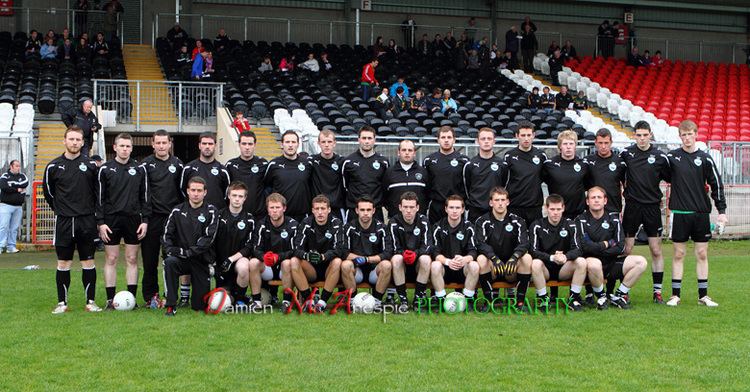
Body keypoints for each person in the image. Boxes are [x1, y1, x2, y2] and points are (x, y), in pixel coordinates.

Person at [664, 120, 727, 307]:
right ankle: (675, 295)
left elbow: (716, 184)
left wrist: (722, 211)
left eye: (690, 134)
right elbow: (660, 175)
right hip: (679, 212)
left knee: (701, 253)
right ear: (680, 137)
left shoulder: (705, 159)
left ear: (696, 135)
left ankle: (703, 296)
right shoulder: (672, 158)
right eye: (683, 135)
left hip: (700, 213)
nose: (687, 138)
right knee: (678, 253)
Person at [43, 126, 102, 314]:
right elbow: (49, 193)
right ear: (64, 141)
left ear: (83, 142)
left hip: (86, 221)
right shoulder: (52, 166)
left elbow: (98, 193)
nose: (75, 142)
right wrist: (61, 209)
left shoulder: (91, 166)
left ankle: (90, 302)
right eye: (71, 139)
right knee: (63, 263)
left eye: (78, 140)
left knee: (88, 262)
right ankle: (62, 304)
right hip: (64, 222)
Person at [96, 133, 149, 309]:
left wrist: (145, 220)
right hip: (111, 220)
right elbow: (100, 198)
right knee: (111, 258)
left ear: (131, 148)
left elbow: (145, 197)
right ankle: (110, 300)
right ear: (115, 147)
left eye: (128, 146)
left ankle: (131, 300)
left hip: (133, 220)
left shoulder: (140, 169)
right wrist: (101, 222)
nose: (125, 149)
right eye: (122, 146)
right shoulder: (105, 169)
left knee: (132, 258)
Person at [619, 121, 670, 304]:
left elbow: (672, 178)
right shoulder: (626, 154)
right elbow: (618, 176)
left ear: (650, 135)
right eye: (638, 135)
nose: (641, 138)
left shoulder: (659, 157)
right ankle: (622, 291)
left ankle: (657, 292)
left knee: (656, 250)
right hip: (632, 206)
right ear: (634, 135)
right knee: (627, 249)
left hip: (652, 208)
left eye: (644, 135)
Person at [577, 186, 647, 309]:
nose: (596, 200)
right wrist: (608, 243)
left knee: (641, 262)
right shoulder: (580, 220)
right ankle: (602, 297)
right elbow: (585, 247)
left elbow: (620, 246)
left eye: (599, 197)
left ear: (605, 201)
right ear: (588, 202)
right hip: (591, 267)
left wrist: (597, 248)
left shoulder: (613, 219)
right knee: (594, 263)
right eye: (593, 197)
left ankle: (619, 295)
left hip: (611, 263)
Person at [139, 130, 183, 308]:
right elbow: (141, 193)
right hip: (152, 219)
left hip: (172, 220)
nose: (161, 146)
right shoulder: (145, 165)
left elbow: (182, 192)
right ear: (153, 144)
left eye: (164, 143)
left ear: (170, 143)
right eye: (158, 143)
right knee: (149, 261)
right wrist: (144, 218)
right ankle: (151, 296)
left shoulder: (178, 164)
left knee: (170, 260)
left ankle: (170, 295)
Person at [162, 176, 219, 316]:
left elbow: (208, 239)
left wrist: (188, 252)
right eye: (193, 190)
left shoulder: (211, 211)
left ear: (205, 192)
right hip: (181, 259)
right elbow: (166, 236)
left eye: (199, 190)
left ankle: (198, 297)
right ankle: (171, 305)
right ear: (187, 191)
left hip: (201, 260)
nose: (196, 193)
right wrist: (173, 250)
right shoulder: (177, 211)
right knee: (170, 262)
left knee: (199, 306)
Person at [475, 187, 532, 309]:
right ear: (491, 203)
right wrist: (494, 258)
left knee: (526, 258)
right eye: (496, 200)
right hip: (493, 267)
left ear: (508, 202)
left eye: (502, 200)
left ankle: (520, 303)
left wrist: (514, 257)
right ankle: (489, 301)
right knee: (481, 258)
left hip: (510, 268)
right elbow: (480, 243)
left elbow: (524, 243)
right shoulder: (482, 221)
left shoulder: (518, 221)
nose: (500, 203)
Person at [529, 194, 587, 310]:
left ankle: (573, 299)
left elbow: (578, 249)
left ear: (563, 208)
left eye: (558, 209)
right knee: (535, 263)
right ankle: (544, 300)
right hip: (545, 269)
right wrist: (551, 258)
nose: (555, 212)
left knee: (581, 262)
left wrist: (565, 257)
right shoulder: (537, 225)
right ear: (546, 208)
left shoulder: (571, 225)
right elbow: (533, 250)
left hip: (564, 268)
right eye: (552, 209)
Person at [292, 194, 345, 312]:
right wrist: (307, 256)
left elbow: (339, 249)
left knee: (337, 261)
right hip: (311, 269)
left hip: (329, 269)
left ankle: (322, 302)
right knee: (294, 261)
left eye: (323, 209)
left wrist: (323, 256)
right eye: (317, 209)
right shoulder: (306, 223)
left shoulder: (336, 223)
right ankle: (308, 301)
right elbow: (296, 248)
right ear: (312, 210)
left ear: (329, 210)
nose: (320, 212)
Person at [429, 195, 480, 310]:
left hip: (462, 269)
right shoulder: (438, 227)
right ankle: (441, 301)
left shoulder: (469, 227)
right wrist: (448, 261)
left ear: (462, 210)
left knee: (474, 265)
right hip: (445, 269)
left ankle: (468, 301)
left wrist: (464, 259)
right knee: (435, 265)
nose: (454, 211)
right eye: (451, 207)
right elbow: (435, 252)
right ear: (446, 209)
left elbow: (473, 251)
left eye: (457, 208)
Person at [212, 181, 258, 307]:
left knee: (244, 266)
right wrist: (214, 262)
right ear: (228, 196)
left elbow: (249, 247)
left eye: (240, 196)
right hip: (220, 264)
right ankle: (229, 296)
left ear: (245, 198)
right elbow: (211, 241)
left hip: (236, 262)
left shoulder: (250, 219)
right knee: (221, 303)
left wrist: (231, 259)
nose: (237, 199)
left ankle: (240, 299)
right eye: (234, 195)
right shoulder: (218, 216)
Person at [341, 196, 393, 304]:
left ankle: (376, 302)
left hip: (375, 271)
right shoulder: (349, 227)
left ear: (374, 211)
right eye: (362, 210)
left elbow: (388, 252)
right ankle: (353, 301)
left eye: (368, 210)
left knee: (387, 265)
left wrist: (367, 259)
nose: (365, 213)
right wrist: (360, 259)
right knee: (345, 265)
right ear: (356, 210)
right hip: (356, 271)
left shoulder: (381, 228)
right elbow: (344, 252)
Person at [252, 193, 299, 312]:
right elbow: (256, 248)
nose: (274, 211)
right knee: (253, 262)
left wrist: (278, 257)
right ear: (267, 210)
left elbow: (295, 250)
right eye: (271, 208)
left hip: (284, 268)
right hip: (267, 267)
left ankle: (287, 301)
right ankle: (256, 301)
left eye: (277, 207)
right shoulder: (261, 224)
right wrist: (264, 257)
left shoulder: (293, 225)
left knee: (288, 263)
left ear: (284, 208)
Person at [388, 192, 432, 308]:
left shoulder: (423, 221)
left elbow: (427, 245)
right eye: (405, 207)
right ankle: (403, 300)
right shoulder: (393, 222)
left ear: (417, 208)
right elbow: (392, 247)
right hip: (402, 265)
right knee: (396, 259)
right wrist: (403, 254)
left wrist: (415, 254)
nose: (408, 210)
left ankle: (418, 298)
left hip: (418, 265)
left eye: (412, 207)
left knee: (426, 259)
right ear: (400, 207)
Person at [501, 121, 547, 227]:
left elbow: (545, 177)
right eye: (523, 135)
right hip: (514, 206)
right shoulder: (509, 156)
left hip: (534, 207)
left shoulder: (541, 155)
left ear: (533, 136)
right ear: (517, 136)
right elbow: (504, 179)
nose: (526, 138)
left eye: (529, 135)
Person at [341, 126, 389, 222]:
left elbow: (385, 186)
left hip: (376, 211)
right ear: (359, 139)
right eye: (364, 138)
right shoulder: (348, 162)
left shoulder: (383, 162)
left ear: (374, 140)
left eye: (369, 138)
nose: (367, 141)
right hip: (355, 210)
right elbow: (344, 186)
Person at [423, 126, 469, 222]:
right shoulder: (429, 160)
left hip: (456, 206)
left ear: (454, 140)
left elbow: (467, 185)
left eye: (449, 137)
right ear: (438, 140)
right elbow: (426, 185)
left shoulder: (464, 160)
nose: (446, 140)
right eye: (443, 137)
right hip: (436, 206)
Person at [264, 131, 313, 222]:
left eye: (293, 142)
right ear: (282, 144)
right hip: (281, 217)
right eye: (287, 142)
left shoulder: (307, 164)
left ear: (298, 144)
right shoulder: (273, 164)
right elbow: (266, 187)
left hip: (303, 216)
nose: (290, 145)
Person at [542, 130, 589, 220]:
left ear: (575, 146)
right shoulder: (549, 164)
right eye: (565, 144)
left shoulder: (584, 164)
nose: (568, 147)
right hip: (557, 213)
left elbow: (587, 184)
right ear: (560, 146)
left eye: (571, 144)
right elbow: (544, 179)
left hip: (578, 214)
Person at [462, 127, 504, 221]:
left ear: (494, 141)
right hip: (475, 211)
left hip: (495, 210)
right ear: (477, 141)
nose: (486, 141)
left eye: (489, 139)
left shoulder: (502, 164)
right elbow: (466, 188)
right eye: (483, 139)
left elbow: (504, 185)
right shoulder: (470, 165)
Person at [180, 132, 230, 211]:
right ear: (199, 145)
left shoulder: (223, 170)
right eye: (204, 143)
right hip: (193, 215)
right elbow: (182, 191)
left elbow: (227, 194)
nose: (207, 146)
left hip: (216, 214)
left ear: (215, 146)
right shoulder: (188, 168)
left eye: (210, 144)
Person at [226, 131, 268, 218]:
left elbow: (269, 185)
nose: (247, 147)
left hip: (258, 215)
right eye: (244, 144)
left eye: (250, 144)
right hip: (237, 214)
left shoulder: (263, 164)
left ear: (255, 145)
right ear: (239, 144)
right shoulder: (230, 165)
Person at [584, 128, 625, 213]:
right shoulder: (587, 161)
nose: (603, 146)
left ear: (611, 143)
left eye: (606, 143)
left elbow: (626, 185)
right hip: (593, 210)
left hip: (613, 208)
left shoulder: (620, 162)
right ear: (595, 143)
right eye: (600, 143)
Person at [310, 130, 345, 221]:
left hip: (337, 209)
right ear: (318, 143)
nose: (326, 145)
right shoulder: (311, 161)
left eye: (329, 142)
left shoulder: (342, 161)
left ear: (334, 143)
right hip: (318, 209)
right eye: (323, 142)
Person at [0, 160, 28, 254]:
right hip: (5, 206)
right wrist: (17, 189)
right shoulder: (5, 176)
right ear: (11, 166)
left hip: (18, 207)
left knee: (14, 228)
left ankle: (11, 246)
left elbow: (25, 183)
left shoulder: (22, 176)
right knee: (3, 226)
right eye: (16, 166)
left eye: (19, 166)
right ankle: (0, 246)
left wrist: (11, 185)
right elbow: (4, 187)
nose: (18, 168)